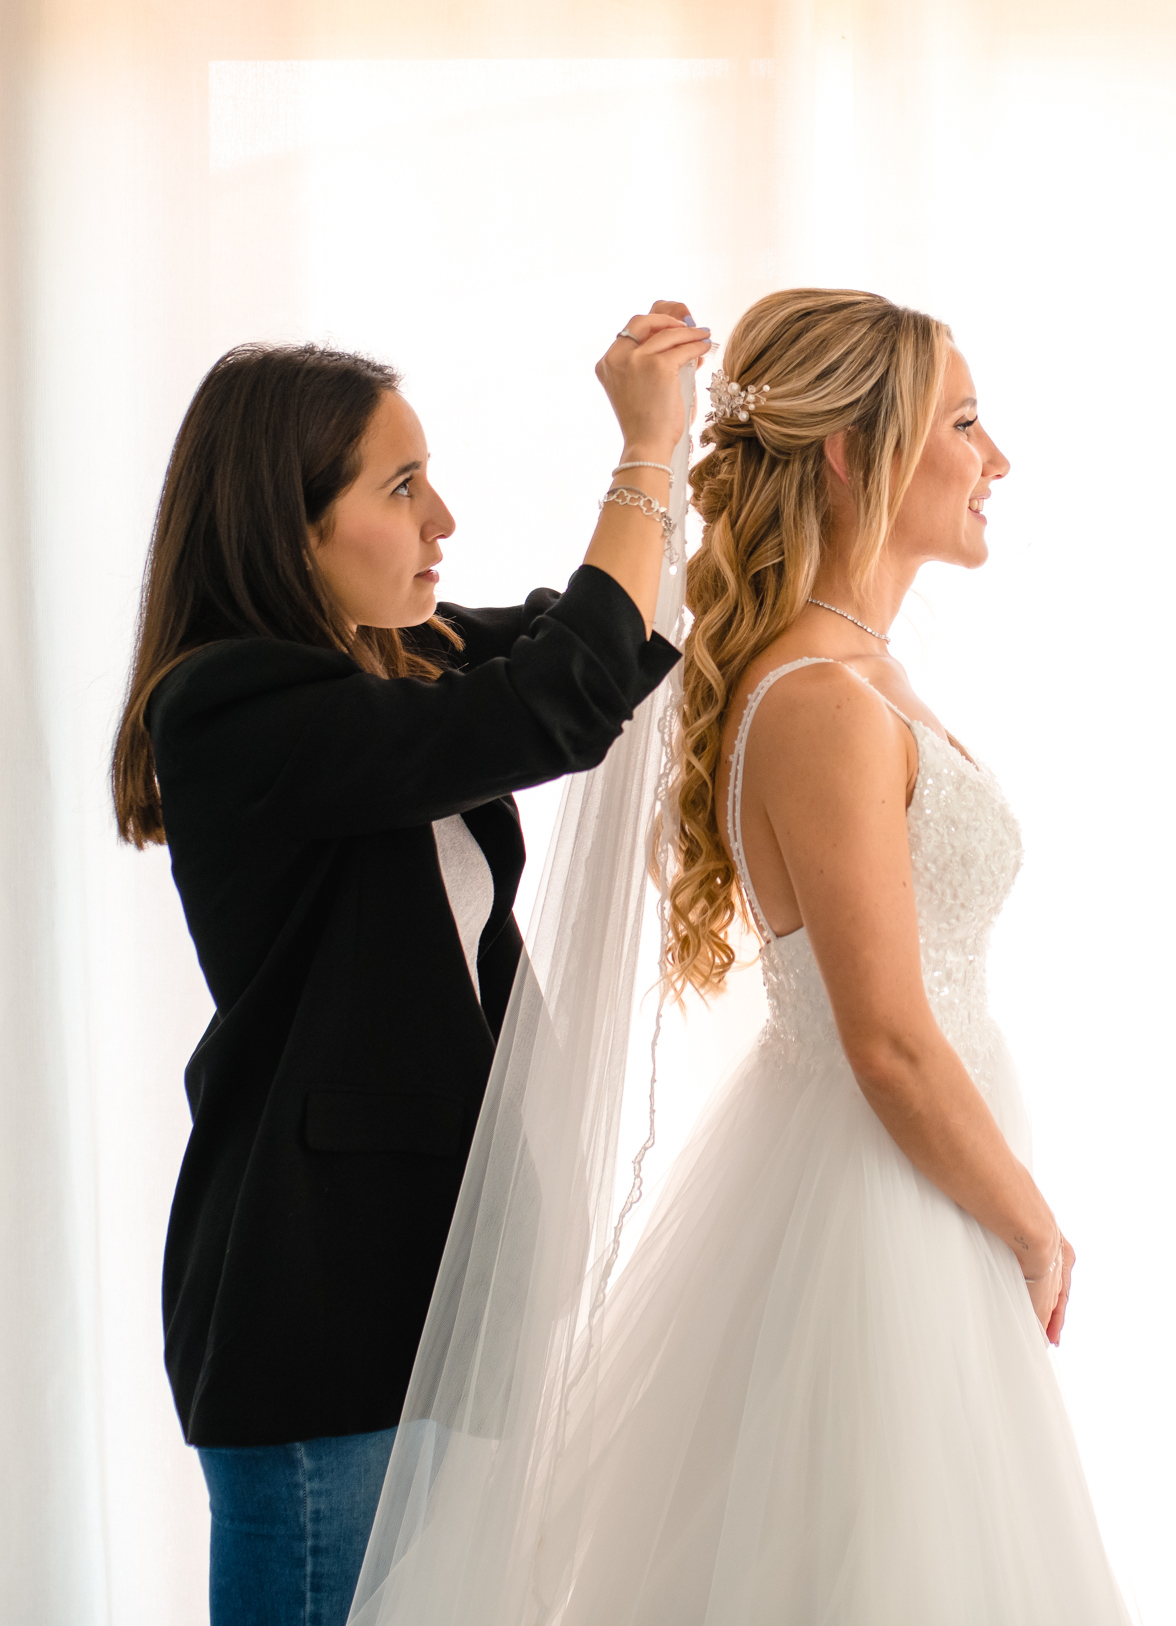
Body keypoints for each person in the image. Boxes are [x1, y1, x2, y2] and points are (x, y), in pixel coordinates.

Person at [352, 288, 1132, 1624]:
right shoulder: (821, 698)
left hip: (913, 1198)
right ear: (851, 451)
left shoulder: (856, 674)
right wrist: (1035, 1224)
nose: (994, 458)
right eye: (964, 421)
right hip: (889, 1209)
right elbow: (885, 1038)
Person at [109, 302, 710, 1626]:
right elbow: (559, 699)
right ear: (291, 523)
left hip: (437, 1304)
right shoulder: (231, 707)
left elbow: (599, 651)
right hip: (320, 1316)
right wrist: (642, 454)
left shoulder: (391, 665)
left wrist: (723, 488)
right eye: (401, 485)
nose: (444, 519)